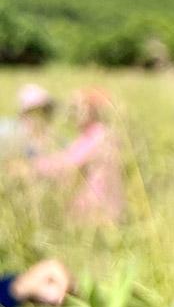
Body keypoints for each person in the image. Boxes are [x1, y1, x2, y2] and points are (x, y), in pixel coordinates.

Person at [32, 88, 125, 226]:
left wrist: (32, 166)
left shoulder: (99, 136)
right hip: (94, 210)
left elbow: (69, 163)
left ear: (91, 111)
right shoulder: (91, 134)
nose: (71, 114)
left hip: (97, 212)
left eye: (75, 108)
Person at [0, 84, 56, 161]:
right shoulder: (17, 133)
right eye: (36, 112)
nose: (41, 116)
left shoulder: (47, 134)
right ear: (24, 115)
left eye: (46, 111)